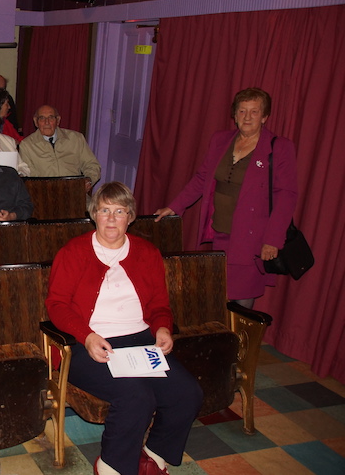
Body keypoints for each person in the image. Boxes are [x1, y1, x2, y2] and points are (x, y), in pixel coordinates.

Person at [47, 182, 203, 475]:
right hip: (87, 343)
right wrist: (87, 336)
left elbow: (159, 304)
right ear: (93, 214)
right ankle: (111, 466)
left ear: (130, 217)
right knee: (136, 396)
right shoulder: (73, 252)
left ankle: (154, 456)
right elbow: (57, 305)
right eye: (104, 210)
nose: (111, 218)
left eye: (119, 211)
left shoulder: (147, 252)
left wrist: (163, 328)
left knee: (187, 392)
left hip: (141, 341)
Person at [155, 87, 298, 308]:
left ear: (264, 117)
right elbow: (202, 178)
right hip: (221, 229)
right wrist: (175, 206)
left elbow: (286, 197)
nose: (247, 117)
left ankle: (239, 332)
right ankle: (223, 330)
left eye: (254, 111)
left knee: (242, 294)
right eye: (242, 111)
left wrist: (272, 240)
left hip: (252, 236)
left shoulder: (279, 147)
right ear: (235, 115)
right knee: (219, 290)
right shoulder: (220, 140)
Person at [19, 104, 102, 196]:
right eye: (42, 118)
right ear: (36, 122)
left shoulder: (76, 139)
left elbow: (92, 165)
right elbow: (29, 177)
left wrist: (89, 180)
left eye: (51, 118)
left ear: (58, 120)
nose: (47, 122)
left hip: (75, 194)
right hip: (45, 196)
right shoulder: (27, 145)